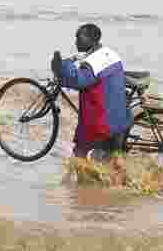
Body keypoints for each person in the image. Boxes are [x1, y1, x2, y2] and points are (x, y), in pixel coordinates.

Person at [51, 23, 133, 161]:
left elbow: (78, 80)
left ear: (91, 39)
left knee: (79, 158)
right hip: (122, 121)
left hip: (103, 125)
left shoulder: (93, 62)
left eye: (79, 38)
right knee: (114, 163)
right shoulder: (109, 53)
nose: (76, 41)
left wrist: (61, 67)